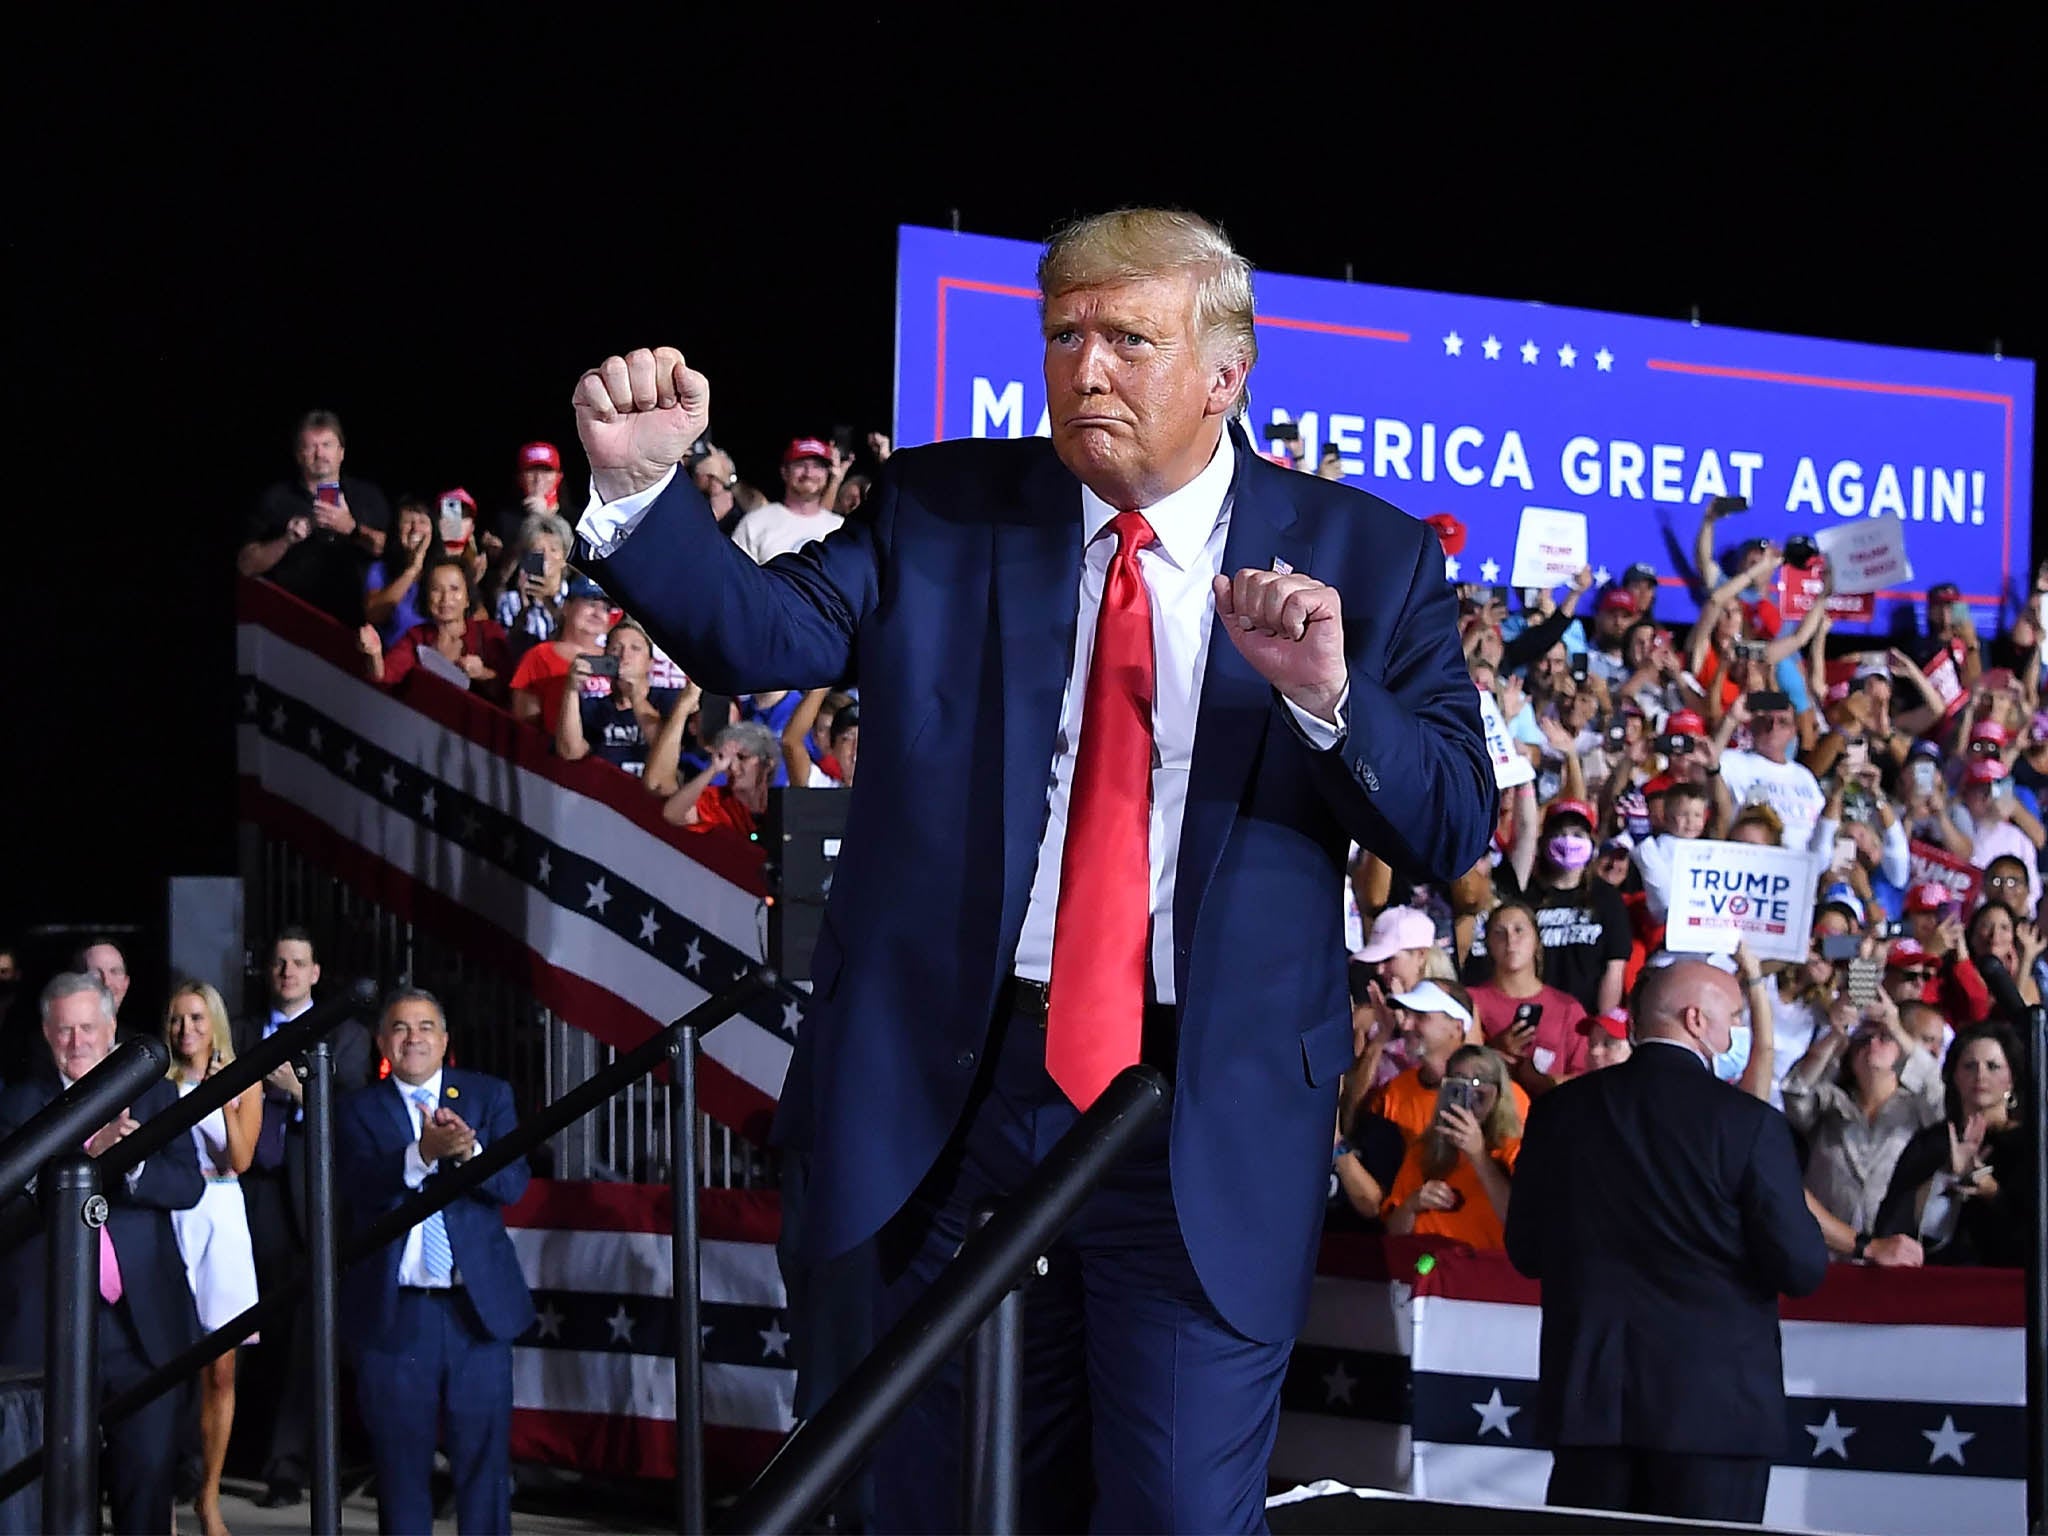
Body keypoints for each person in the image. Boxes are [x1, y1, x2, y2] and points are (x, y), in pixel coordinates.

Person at [569, 208, 1494, 1530]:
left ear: (1226, 372)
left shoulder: (1368, 557)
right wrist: (641, 496)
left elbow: (1454, 823)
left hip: (1197, 1118)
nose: (1086, 367)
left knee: (1171, 1510)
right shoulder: (947, 509)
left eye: (1128, 338)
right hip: (959, 1101)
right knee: (940, 1501)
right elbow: (762, 630)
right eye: (1064, 334)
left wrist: (1335, 696)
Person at [1505, 957, 1829, 1525]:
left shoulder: (1558, 1113)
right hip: (1715, 1417)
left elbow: (1525, 1251)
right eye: (1732, 1019)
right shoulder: (1749, 1125)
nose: (1735, 1034)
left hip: (1591, 1406)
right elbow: (1801, 1268)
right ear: (1696, 1020)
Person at [0, 974, 204, 1536]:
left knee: (147, 1487)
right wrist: (91, 1155)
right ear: (45, 1033)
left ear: (112, 1027)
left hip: (142, 1328)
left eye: (88, 1027)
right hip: (50, 1328)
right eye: (64, 1029)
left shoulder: (156, 1093)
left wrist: (130, 1162)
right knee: (60, 1498)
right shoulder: (16, 1103)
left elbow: (189, 1185)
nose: (77, 1040)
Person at [338, 987, 532, 1536]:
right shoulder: (356, 1108)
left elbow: (513, 1184)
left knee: (484, 1467)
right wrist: (422, 1154)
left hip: (477, 1314)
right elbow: (358, 1187)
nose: (414, 1037)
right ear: (382, 1042)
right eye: (400, 1028)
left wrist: (468, 1153)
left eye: (425, 1027)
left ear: (445, 1041)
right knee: (400, 1470)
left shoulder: (488, 1096)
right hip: (395, 1315)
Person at [231, 927, 375, 1509]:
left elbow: (350, 1105)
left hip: (314, 1196)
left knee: (303, 1340)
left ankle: (286, 1464)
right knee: (240, 1329)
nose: (287, 972)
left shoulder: (347, 1035)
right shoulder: (241, 1033)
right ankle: (221, 1454)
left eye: (298, 963)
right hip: (250, 1194)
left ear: (316, 973)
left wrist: (294, 1088)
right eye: (278, 963)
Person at [164, 980, 263, 1536]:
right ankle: (159, 1498)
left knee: (220, 1372)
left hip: (222, 1216)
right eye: (178, 1020)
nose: (187, 1030)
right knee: (166, 1365)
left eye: (198, 1019)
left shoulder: (242, 1076)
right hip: (172, 1216)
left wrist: (226, 1102)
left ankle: (209, 1497)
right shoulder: (157, 1082)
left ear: (215, 1023)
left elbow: (242, 1158)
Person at [1781, 990, 1945, 1252]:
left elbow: (1939, 1097)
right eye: (1864, 1038)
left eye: (1884, 1038)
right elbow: (1795, 1092)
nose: (1872, 1044)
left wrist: (1895, 1026)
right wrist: (1835, 1034)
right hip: (1827, 1248)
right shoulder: (1830, 1102)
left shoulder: (1918, 1108)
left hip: (1895, 1252)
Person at [1872, 1021, 2031, 1266]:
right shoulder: (1930, 1143)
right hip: (1928, 1284)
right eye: (1969, 1065)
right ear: (1954, 1075)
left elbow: (2031, 1236)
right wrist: (1941, 1181)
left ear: (2011, 1079)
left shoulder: (2030, 1146)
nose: (1980, 1075)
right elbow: (1889, 1225)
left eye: (1993, 1066)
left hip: (2002, 1287)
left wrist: (1992, 1192)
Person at [238, 410, 392, 624]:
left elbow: (392, 551)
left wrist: (351, 528)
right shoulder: (276, 499)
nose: (320, 454)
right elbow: (245, 566)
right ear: (298, 455)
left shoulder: (367, 496)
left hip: (356, 626)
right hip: (289, 624)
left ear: (341, 452)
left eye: (327, 445)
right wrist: (286, 540)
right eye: (311, 447)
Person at [1381, 1043, 1519, 1246]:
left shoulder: (1514, 1149)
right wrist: (1412, 1204)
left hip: (1485, 1269)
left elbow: (1521, 1225)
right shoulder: (1422, 1151)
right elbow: (1393, 1233)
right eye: (1459, 1080)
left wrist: (1478, 1156)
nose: (1470, 1089)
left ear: (1498, 1092)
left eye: (1479, 1079)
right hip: (1428, 1267)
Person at [1466, 900, 1588, 1093]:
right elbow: (1457, 1068)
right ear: (1488, 943)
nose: (1510, 940)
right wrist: (1492, 1050)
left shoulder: (1568, 1008)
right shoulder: (1470, 1001)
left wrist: (1540, 1081)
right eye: (1499, 932)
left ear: (1536, 941)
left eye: (1519, 930)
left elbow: (1584, 1078)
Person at [359, 557, 513, 704]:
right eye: (436, 590)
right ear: (426, 597)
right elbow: (385, 676)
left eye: (454, 589)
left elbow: (509, 694)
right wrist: (375, 654)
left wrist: (482, 674)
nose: (445, 598)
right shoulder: (417, 636)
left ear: (468, 598)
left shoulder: (488, 633)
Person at [558, 618, 666, 777]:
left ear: (650, 663)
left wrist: (635, 696)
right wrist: (571, 690)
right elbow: (570, 752)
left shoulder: (668, 700)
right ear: (605, 657)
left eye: (635, 648)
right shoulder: (593, 707)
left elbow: (666, 750)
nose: (624, 656)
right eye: (616, 648)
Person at [507, 573, 613, 733]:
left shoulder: (615, 659)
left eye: (605, 608)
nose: (597, 613)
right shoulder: (539, 656)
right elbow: (526, 727)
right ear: (567, 607)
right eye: (591, 604)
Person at [729, 437, 847, 564]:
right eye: (801, 465)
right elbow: (735, 577)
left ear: (827, 474)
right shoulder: (754, 523)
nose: (809, 473)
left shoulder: (841, 528)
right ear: (784, 472)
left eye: (817, 466)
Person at [663, 719, 777, 835]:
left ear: (767, 764)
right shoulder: (716, 800)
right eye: (726, 759)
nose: (732, 767)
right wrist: (713, 769)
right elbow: (671, 814)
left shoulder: (783, 803)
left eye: (742, 758)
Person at [364, 496, 442, 645]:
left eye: (423, 522)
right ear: (396, 530)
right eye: (408, 522)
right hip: (393, 660)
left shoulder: (445, 571)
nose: (415, 529)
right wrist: (413, 569)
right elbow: (374, 614)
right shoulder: (380, 570)